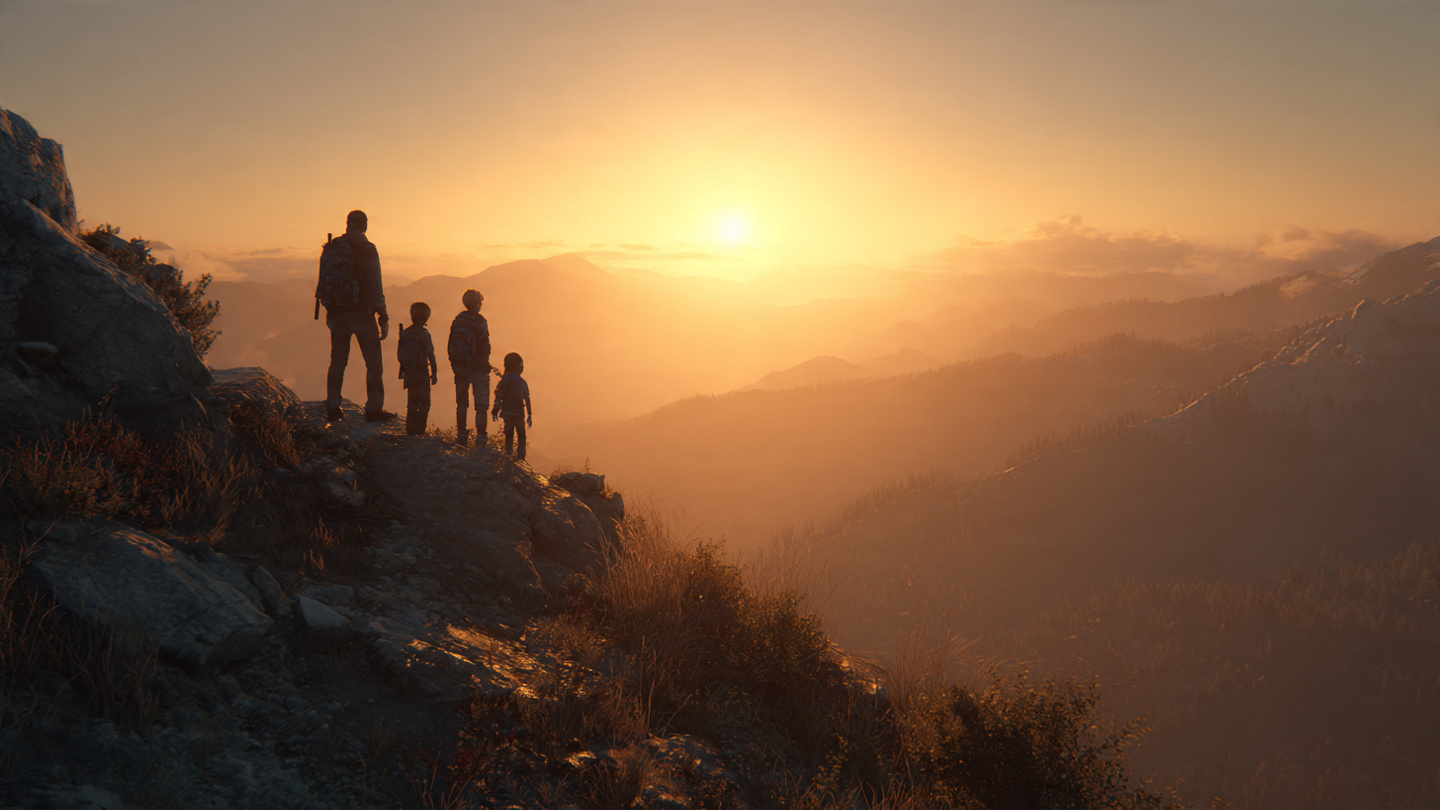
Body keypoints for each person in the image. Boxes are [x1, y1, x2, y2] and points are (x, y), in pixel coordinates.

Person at [316, 209, 394, 422]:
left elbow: (323, 280)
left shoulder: (332, 248)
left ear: (347, 224)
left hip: (336, 313)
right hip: (361, 313)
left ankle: (333, 405)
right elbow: (375, 285)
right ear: (365, 225)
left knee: (338, 361)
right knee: (374, 364)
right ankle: (374, 409)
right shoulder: (367, 249)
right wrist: (383, 316)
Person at [447, 289, 492, 446]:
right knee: (481, 406)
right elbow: (485, 346)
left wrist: (455, 364)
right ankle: (481, 439)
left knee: (462, 403)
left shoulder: (458, 320)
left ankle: (461, 436)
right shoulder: (480, 321)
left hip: (460, 369)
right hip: (478, 369)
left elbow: (450, 345)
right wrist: (485, 364)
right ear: (477, 304)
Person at [396, 302, 438, 436]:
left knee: (412, 401)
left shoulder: (405, 333)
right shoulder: (424, 334)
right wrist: (435, 372)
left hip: (409, 372)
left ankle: (410, 429)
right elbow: (430, 354)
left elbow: (399, 354)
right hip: (422, 372)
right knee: (424, 402)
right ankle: (420, 430)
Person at [491, 352, 532, 461]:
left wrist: (495, 411)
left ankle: (508, 457)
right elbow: (527, 398)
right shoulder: (521, 382)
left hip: (508, 414)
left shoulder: (503, 381)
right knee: (521, 437)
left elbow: (498, 398)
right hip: (519, 414)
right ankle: (521, 459)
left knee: (509, 437)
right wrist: (530, 414)